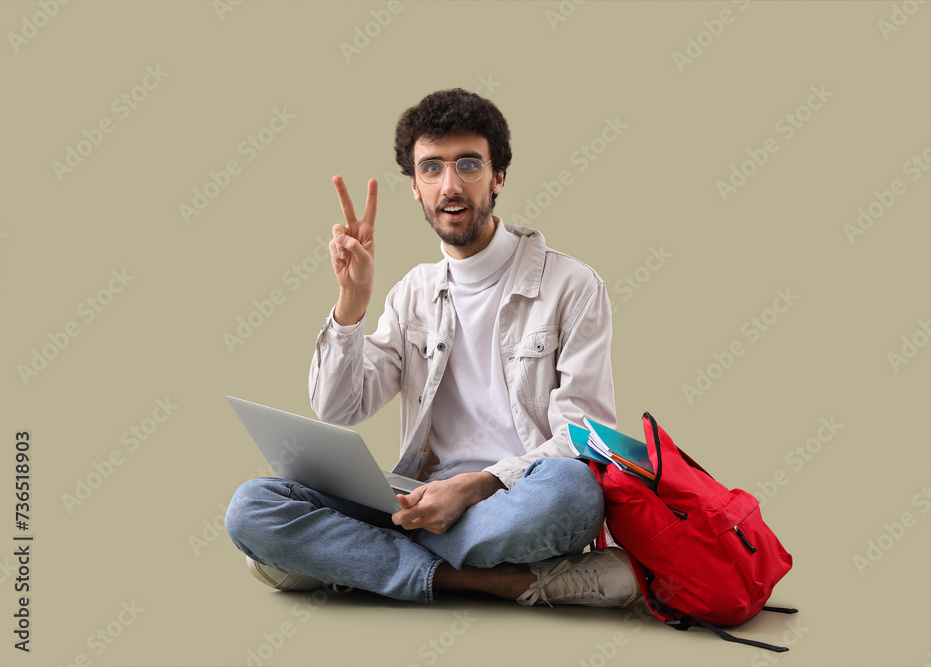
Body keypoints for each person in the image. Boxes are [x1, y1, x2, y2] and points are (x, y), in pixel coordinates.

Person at [225, 88, 638, 608]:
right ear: (416, 188)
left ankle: (345, 558)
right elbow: (338, 406)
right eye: (431, 168)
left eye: (469, 164)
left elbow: (585, 438)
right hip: (415, 499)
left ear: (498, 177)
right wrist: (352, 301)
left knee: (573, 492)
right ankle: (502, 582)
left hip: (513, 500)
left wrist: (473, 487)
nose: (450, 185)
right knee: (253, 507)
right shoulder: (412, 293)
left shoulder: (573, 286)